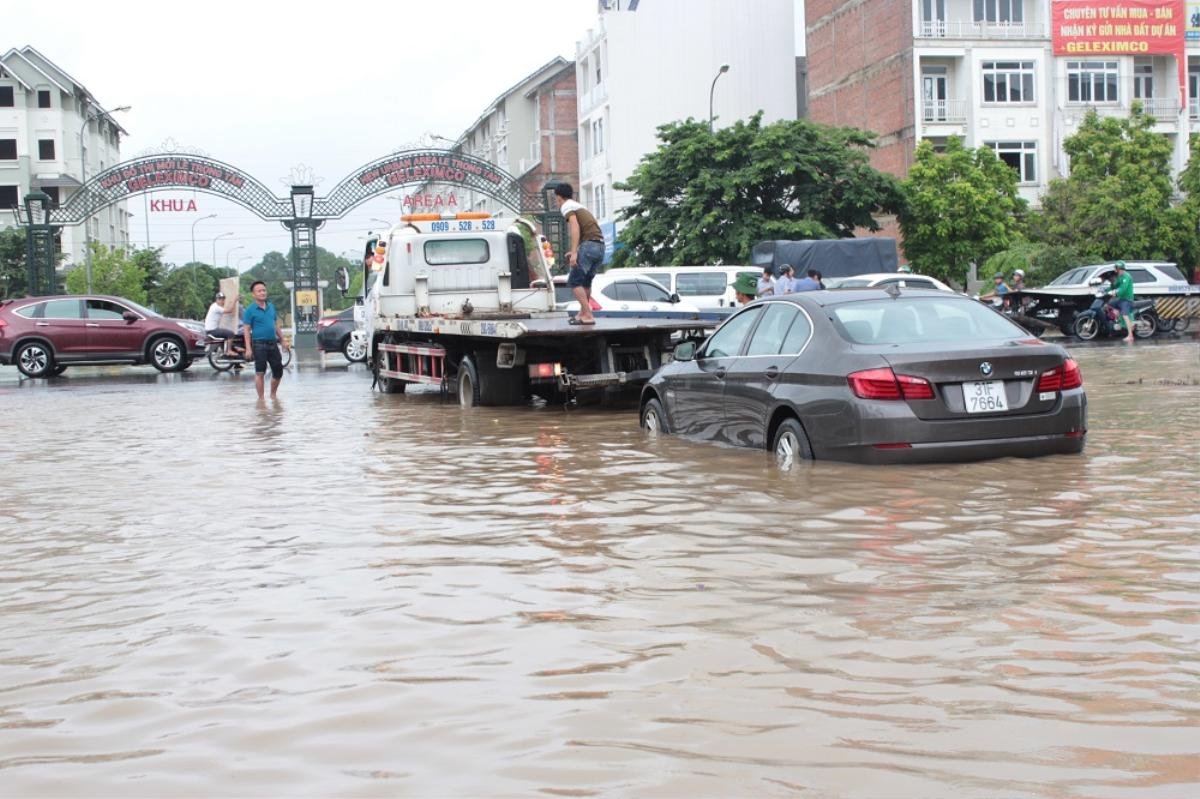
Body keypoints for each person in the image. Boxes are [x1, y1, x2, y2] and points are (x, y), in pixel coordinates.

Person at [553, 183, 604, 325]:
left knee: (574, 281)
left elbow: (575, 227)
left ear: (558, 197)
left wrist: (575, 252)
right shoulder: (578, 205)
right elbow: (587, 229)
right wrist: (576, 249)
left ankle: (587, 314)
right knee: (586, 282)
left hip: (588, 246)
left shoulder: (566, 206)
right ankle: (583, 312)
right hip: (599, 246)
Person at [242, 280, 287, 399]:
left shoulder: (271, 307)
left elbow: (275, 325)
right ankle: (261, 399)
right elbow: (246, 329)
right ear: (253, 294)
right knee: (260, 372)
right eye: (259, 291)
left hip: (273, 343)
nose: (262, 293)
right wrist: (248, 348)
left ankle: (273, 394)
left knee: (278, 371)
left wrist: (282, 340)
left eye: (264, 290)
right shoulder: (250, 310)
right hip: (258, 344)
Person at [204, 292, 237, 357]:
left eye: (223, 299)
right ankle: (228, 351)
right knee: (231, 334)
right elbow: (229, 310)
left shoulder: (214, 306)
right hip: (212, 330)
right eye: (220, 299)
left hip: (211, 329)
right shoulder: (216, 307)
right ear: (216, 300)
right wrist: (235, 300)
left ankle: (227, 349)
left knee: (225, 333)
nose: (222, 301)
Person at [1111, 260, 1136, 342]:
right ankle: (1121, 322)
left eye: (1116, 269)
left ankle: (1130, 336)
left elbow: (1123, 289)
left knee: (1125, 315)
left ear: (1120, 269)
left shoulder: (1126, 276)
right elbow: (1115, 285)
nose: (1115, 271)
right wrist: (1105, 289)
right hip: (1121, 299)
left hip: (1127, 300)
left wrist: (1116, 292)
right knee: (1110, 304)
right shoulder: (1120, 276)